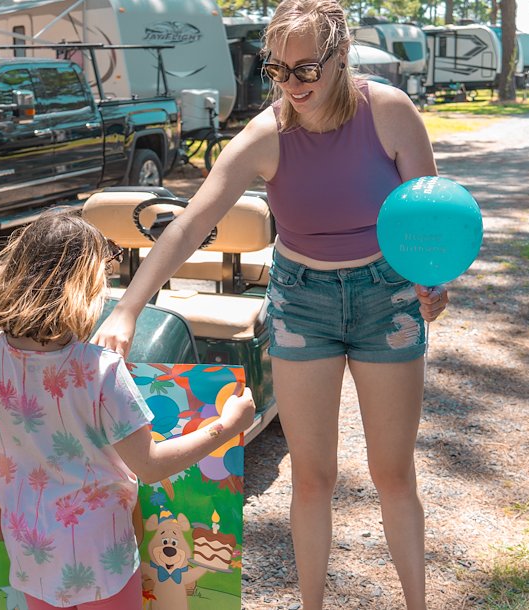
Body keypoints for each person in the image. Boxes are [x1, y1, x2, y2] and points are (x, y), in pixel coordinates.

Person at [93, 1, 448, 607]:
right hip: (301, 301)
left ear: (341, 56)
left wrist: (432, 279)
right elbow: (187, 225)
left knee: (394, 474)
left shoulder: (389, 112)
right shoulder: (267, 134)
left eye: (306, 69)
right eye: (277, 70)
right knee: (313, 478)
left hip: (384, 298)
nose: (291, 85)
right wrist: (127, 307)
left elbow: (428, 213)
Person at [0, 213, 257, 610]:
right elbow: (150, 465)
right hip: (102, 558)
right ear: (87, 286)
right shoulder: (100, 369)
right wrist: (228, 425)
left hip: (32, 554)